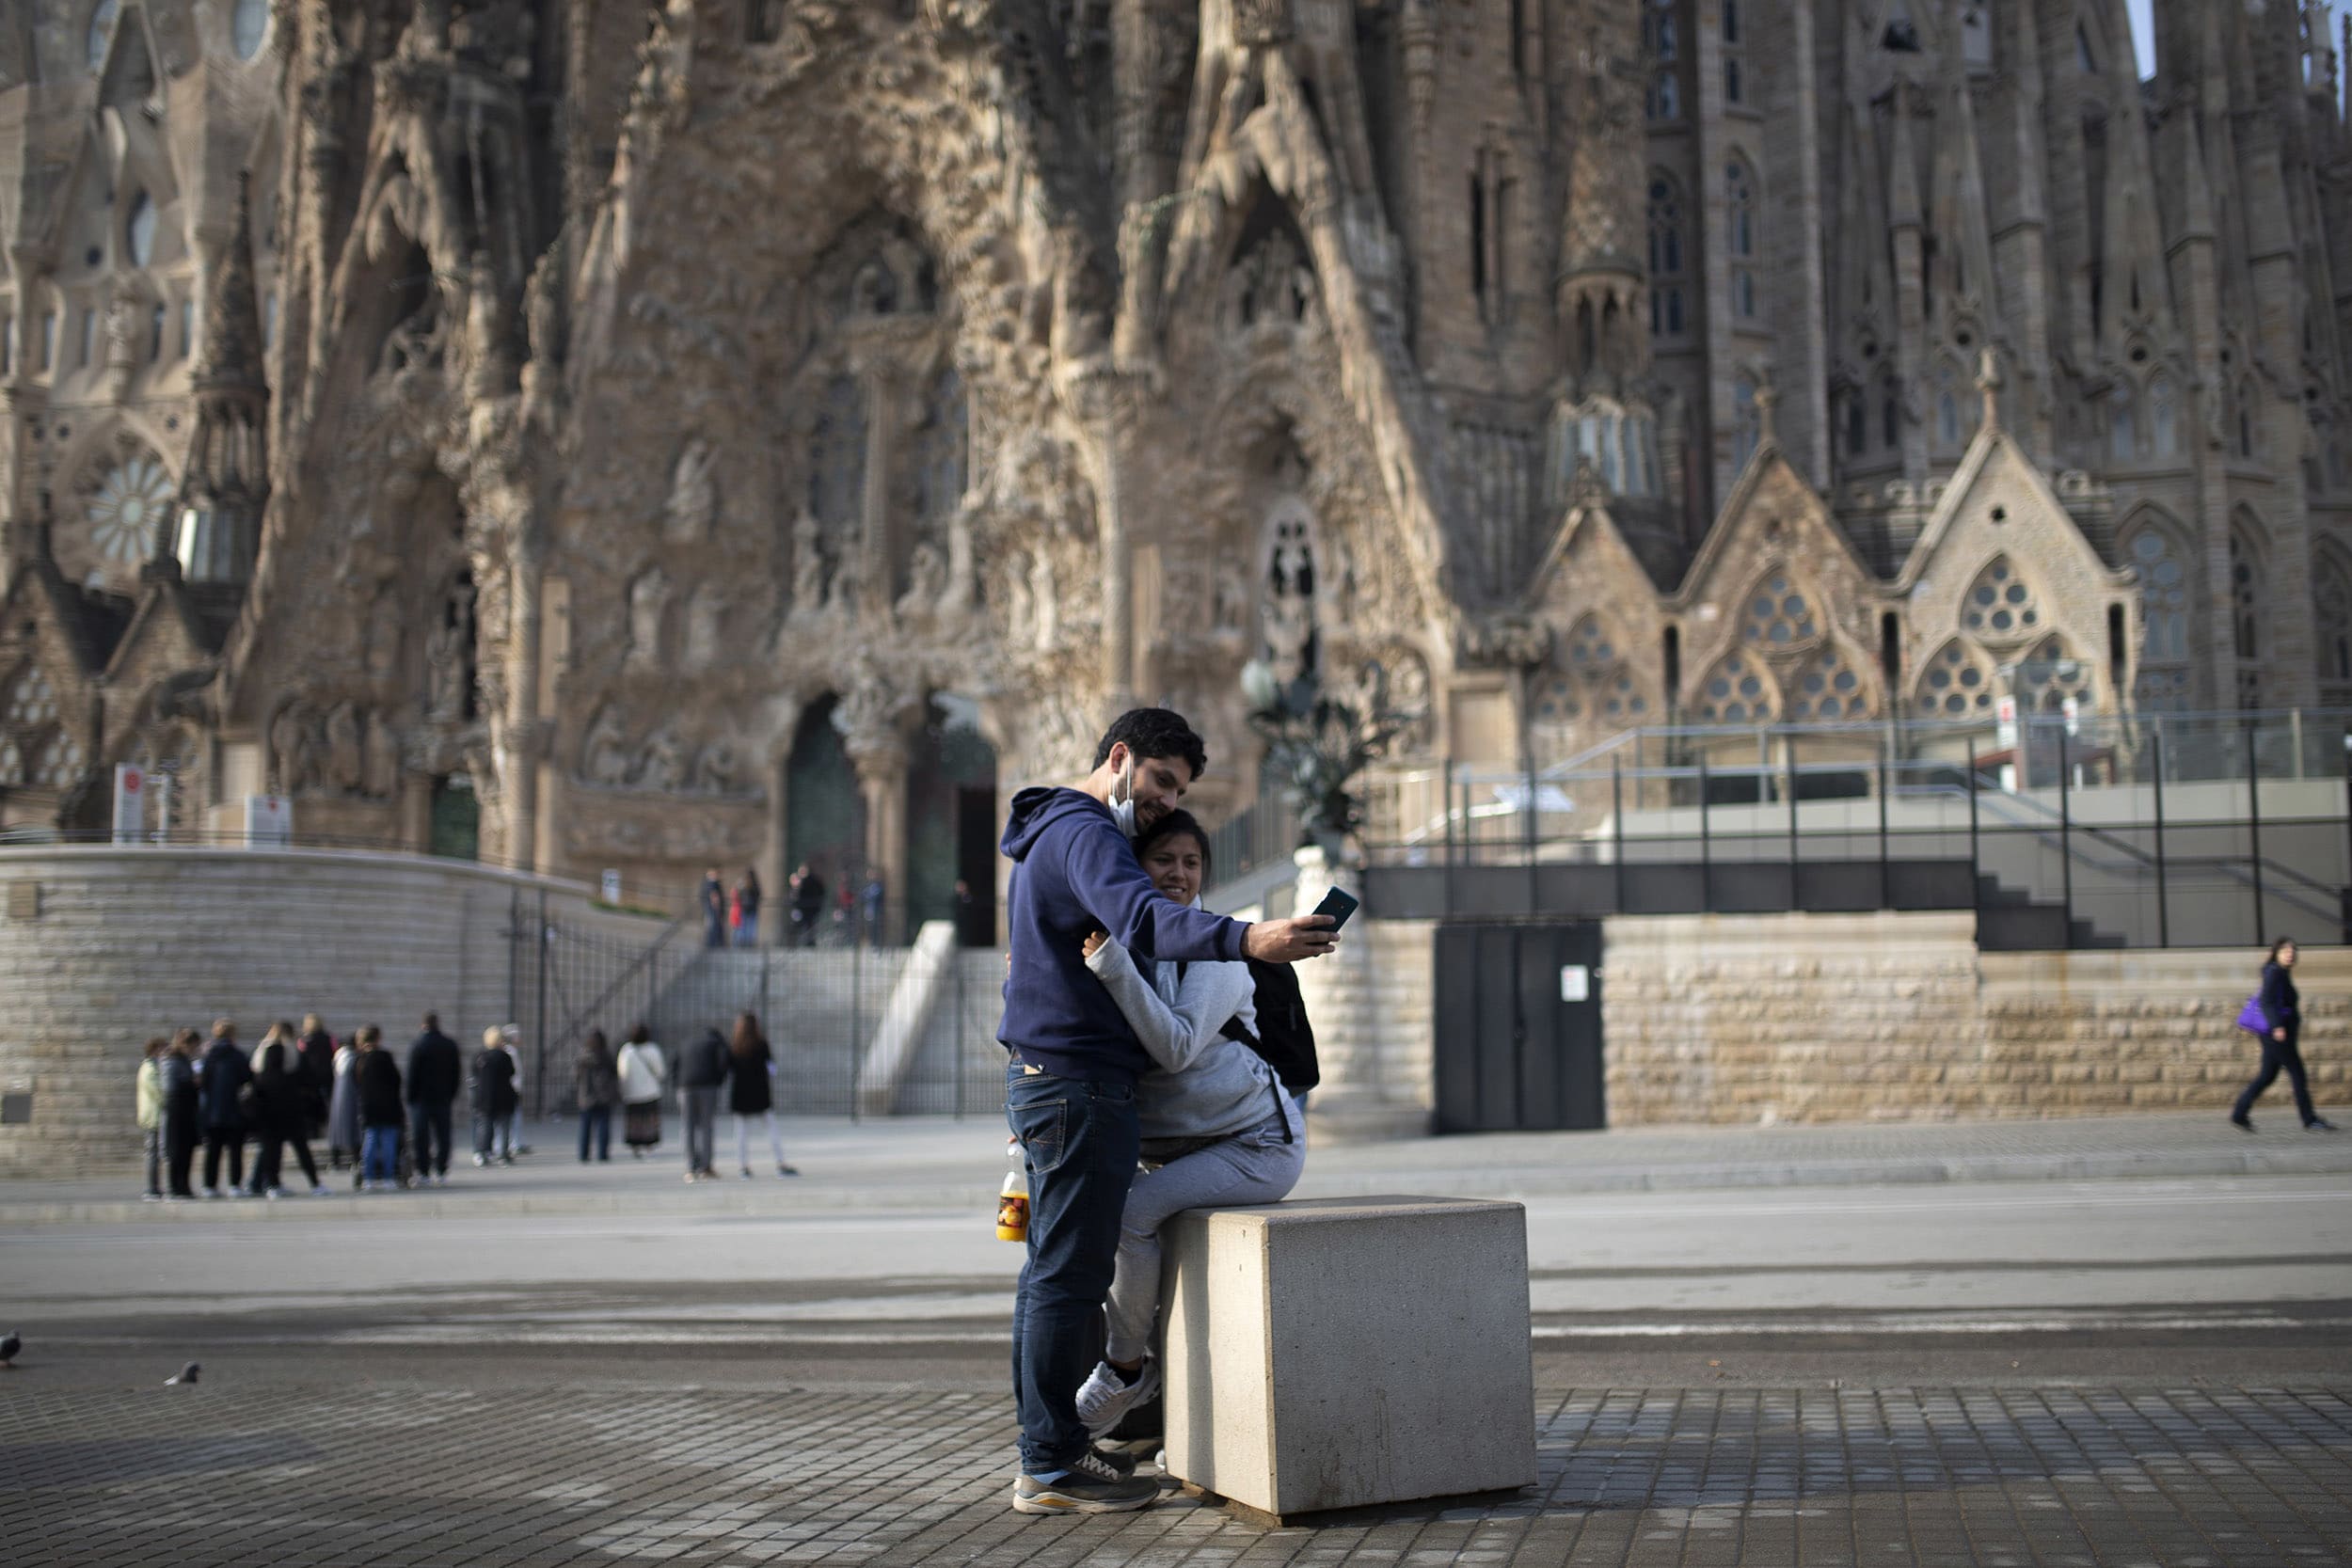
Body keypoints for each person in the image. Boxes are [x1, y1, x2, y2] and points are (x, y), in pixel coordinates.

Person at [997, 706, 1337, 1515]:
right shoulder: (1085, 833)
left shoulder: (1055, 829)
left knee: (1052, 1274)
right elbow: (1143, 918)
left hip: (1059, 1080)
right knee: (1065, 1278)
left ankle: (1052, 1447)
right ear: (1119, 758)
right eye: (1158, 783)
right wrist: (1251, 941)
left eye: (1179, 792)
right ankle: (1049, 1460)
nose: (1162, 801)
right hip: (1077, 1085)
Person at [1071, 809, 1306, 1439]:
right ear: (1136, 868)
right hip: (1171, 1148)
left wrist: (1114, 968)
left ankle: (1125, 1371)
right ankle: (1175, 1424)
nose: (1178, 873)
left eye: (1191, 862)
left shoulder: (1216, 948)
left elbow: (1174, 1045)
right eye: (1163, 859)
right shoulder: (1121, 939)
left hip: (1255, 1144)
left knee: (1130, 1212)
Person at [2233, 937, 2339, 1132]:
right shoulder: (2275, 973)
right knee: (2298, 1074)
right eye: (2284, 951)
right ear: (2276, 954)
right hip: (2277, 1035)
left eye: (2292, 951)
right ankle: (2309, 1119)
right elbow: (2267, 1002)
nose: (2290, 955)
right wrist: (2277, 1027)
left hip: (2275, 1034)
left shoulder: (2280, 972)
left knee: (2267, 1076)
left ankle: (2239, 1113)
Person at [246, 1021, 326, 1197]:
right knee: (301, 1147)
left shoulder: (260, 1053)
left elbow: (254, 1081)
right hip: (291, 1108)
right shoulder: (292, 1054)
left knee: (270, 1149)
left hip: (267, 1109)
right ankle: (315, 1184)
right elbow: (309, 1079)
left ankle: (271, 1184)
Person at [726, 1011, 796, 1178]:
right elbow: (771, 1068)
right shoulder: (761, 1044)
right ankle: (780, 1163)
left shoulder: (735, 1046)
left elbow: (729, 1069)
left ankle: (743, 1167)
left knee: (741, 1133)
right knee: (771, 1129)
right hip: (760, 1093)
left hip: (740, 1093)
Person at [405, 1012, 462, 1185]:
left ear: (423, 1025)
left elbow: (412, 1074)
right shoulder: (449, 1045)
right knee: (443, 1135)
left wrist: (410, 1097)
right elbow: (456, 1073)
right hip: (443, 1097)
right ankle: (441, 1169)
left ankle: (423, 1171)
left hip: (421, 1099)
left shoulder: (418, 1045)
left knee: (421, 1136)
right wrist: (451, 1093)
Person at [198, 1019, 251, 1198]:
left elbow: (203, 1083)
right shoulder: (237, 1055)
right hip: (233, 1109)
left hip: (212, 1111)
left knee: (213, 1151)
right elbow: (246, 1078)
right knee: (235, 1150)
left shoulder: (209, 1056)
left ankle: (209, 1185)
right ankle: (235, 1185)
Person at [355, 1026, 406, 1190]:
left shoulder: (360, 1061)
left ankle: (368, 1178)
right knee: (388, 1143)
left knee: (370, 1142)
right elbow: (396, 1081)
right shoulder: (385, 1058)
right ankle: (388, 1177)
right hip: (388, 1106)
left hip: (369, 1107)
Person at [676, 1024, 730, 1181]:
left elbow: (675, 1063)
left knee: (688, 1126)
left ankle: (691, 1167)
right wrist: (718, 1080)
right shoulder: (716, 1044)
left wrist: (677, 1083)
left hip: (685, 1086)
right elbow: (723, 1063)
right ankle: (706, 1167)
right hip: (707, 1086)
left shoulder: (687, 1042)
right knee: (706, 1126)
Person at [160, 1030, 200, 1200]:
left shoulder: (184, 1060)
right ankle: (174, 1186)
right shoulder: (171, 1060)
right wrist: (192, 1083)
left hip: (188, 1110)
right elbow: (171, 1089)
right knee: (176, 1150)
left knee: (187, 1150)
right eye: (193, 1046)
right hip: (176, 1110)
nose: (195, 1050)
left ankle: (184, 1186)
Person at [472, 1024, 521, 1166]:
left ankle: (482, 1152)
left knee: (485, 1127)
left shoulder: (481, 1057)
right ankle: (503, 1154)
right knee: (504, 1126)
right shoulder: (504, 1056)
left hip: (485, 1097)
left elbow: (474, 1074)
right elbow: (512, 1073)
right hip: (503, 1096)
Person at [616, 1023, 666, 1156]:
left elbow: (622, 1072)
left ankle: (635, 1144)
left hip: (632, 1091)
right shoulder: (652, 1049)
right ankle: (649, 1143)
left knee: (634, 1119)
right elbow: (660, 1071)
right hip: (650, 1090)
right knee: (649, 1118)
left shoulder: (626, 1050)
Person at [576, 1029, 620, 1163]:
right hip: (604, 1095)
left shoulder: (583, 1056)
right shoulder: (606, 1055)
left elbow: (576, 1076)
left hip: (587, 1096)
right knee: (603, 1125)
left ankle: (583, 1154)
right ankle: (602, 1154)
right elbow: (615, 1073)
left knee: (585, 1127)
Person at [296, 1013, 337, 1140]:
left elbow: (300, 1059)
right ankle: (331, 1129)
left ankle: (313, 1132)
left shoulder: (303, 1041)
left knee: (312, 1106)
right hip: (328, 1076)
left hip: (310, 1079)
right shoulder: (330, 1038)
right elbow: (335, 1054)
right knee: (330, 1103)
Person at [136, 1037, 167, 1200]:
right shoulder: (150, 1068)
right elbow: (158, 1092)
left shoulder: (154, 1066)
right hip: (153, 1116)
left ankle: (155, 1186)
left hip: (154, 1115)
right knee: (152, 1153)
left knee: (155, 1153)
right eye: (163, 1048)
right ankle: (151, 1188)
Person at [326, 1031, 363, 1172]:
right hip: (352, 1097)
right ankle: (356, 1160)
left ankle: (335, 1161)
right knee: (354, 1129)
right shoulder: (354, 1058)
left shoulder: (339, 1057)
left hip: (338, 1098)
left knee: (337, 1130)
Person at [789, 863, 825, 947]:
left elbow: (799, 895)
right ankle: (809, 941)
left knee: (804, 925)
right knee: (810, 925)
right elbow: (822, 891)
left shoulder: (804, 882)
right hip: (812, 907)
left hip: (806, 907)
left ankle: (798, 941)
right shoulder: (816, 880)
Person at [734, 866, 763, 947]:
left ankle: (743, 942)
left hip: (746, 908)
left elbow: (738, 895)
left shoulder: (743, 884)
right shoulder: (754, 884)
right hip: (751, 908)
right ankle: (748, 943)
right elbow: (759, 895)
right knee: (750, 926)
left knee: (745, 926)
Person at [701, 865, 726, 948]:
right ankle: (714, 944)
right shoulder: (712, 883)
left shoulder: (705, 883)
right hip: (713, 909)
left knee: (711, 926)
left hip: (708, 908)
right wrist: (718, 908)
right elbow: (714, 896)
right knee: (714, 926)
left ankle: (711, 944)